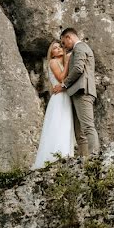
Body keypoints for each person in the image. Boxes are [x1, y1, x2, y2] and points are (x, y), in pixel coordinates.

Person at [52, 27, 100, 157]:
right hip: (77, 92)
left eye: (63, 43)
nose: (64, 46)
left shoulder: (80, 47)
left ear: (69, 37)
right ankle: (84, 158)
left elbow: (78, 69)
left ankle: (94, 157)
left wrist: (64, 85)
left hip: (83, 91)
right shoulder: (78, 49)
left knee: (88, 127)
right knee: (80, 132)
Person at [32, 40, 77, 169]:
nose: (58, 49)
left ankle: (66, 155)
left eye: (59, 47)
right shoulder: (53, 62)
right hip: (59, 99)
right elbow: (62, 78)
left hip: (65, 96)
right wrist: (68, 62)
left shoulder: (62, 61)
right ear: (51, 53)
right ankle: (54, 157)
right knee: (58, 125)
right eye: (54, 48)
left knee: (66, 125)